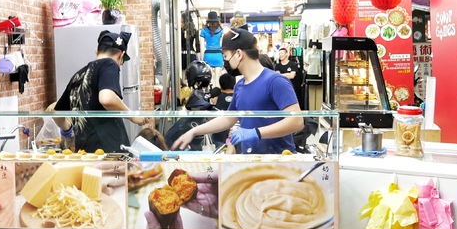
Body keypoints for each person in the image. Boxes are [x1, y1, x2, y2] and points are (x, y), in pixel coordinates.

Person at [171, 27, 302, 154]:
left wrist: (256, 132)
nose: (225, 61)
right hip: (251, 161)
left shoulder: (275, 81)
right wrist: (194, 131)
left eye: (226, 56)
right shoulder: (240, 86)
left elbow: (297, 121)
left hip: (280, 162)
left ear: (238, 54)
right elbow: (229, 119)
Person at [49, 30, 148, 154]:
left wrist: (67, 129)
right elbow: (107, 98)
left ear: (97, 52)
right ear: (120, 56)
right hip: (110, 152)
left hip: (85, 152)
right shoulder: (109, 64)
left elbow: (56, 113)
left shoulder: (78, 75)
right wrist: (133, 116)